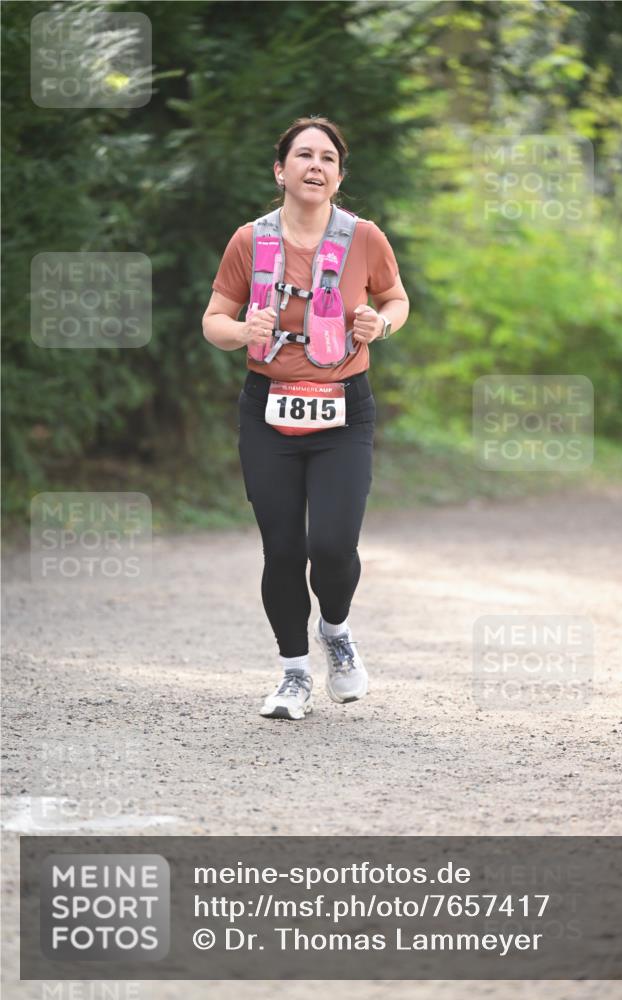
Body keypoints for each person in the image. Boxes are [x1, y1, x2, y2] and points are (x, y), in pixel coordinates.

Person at [202, 116, 409, 720]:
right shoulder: (251, 240)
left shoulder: (364, 237)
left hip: (345, 409)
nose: (315, 166)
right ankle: (293, 674)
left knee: (334, 544)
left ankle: (337, 633)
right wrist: (242, 331)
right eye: (303, 155)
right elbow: (214, 319)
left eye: (327, 158)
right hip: (267, 410)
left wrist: (381, 322)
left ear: (339, 176)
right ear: (281, 169)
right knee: (284, 549)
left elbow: (395, 298)